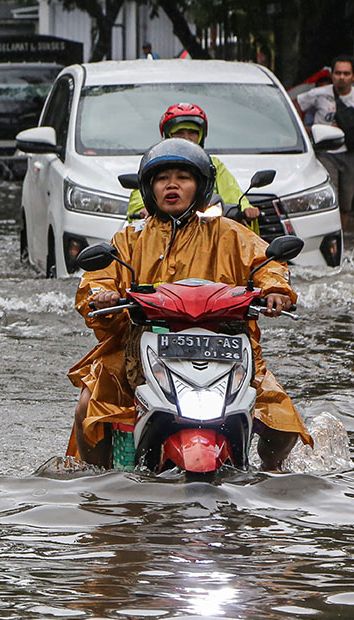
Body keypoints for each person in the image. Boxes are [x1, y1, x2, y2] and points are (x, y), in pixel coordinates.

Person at [69, 138, 310, 470]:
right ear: (149, 188)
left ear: (200, 186)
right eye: (162, 178)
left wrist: (275, 290)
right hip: (141, 347)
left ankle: (269, 477)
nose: (172, 185)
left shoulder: (229, 232)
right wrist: (104, 295)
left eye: (183, 177)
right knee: (88, 404)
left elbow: (266, 263)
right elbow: (98, 280)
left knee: (283, 418)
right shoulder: (129, 238)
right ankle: (95, 479)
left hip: (223, 346)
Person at [296, 55, 354, 229]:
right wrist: (302, 129)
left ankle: (340, 237)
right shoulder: (317, 94)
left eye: (346, 73)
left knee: (346, 203)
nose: (342, 77)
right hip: (325, 154)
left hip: (351, 154)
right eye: (338, 73)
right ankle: (326, 235)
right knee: (329, 198)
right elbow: (294, 106)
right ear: (332, 75)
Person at [126, 103, 259, 225]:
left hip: (206, 227)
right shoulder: (154, 162)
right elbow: (140, 196)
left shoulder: (213, 164)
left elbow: (232, 191)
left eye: (192, 132)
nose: (186, 138)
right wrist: (141, 209)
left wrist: (246, 208)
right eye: (179, 132)